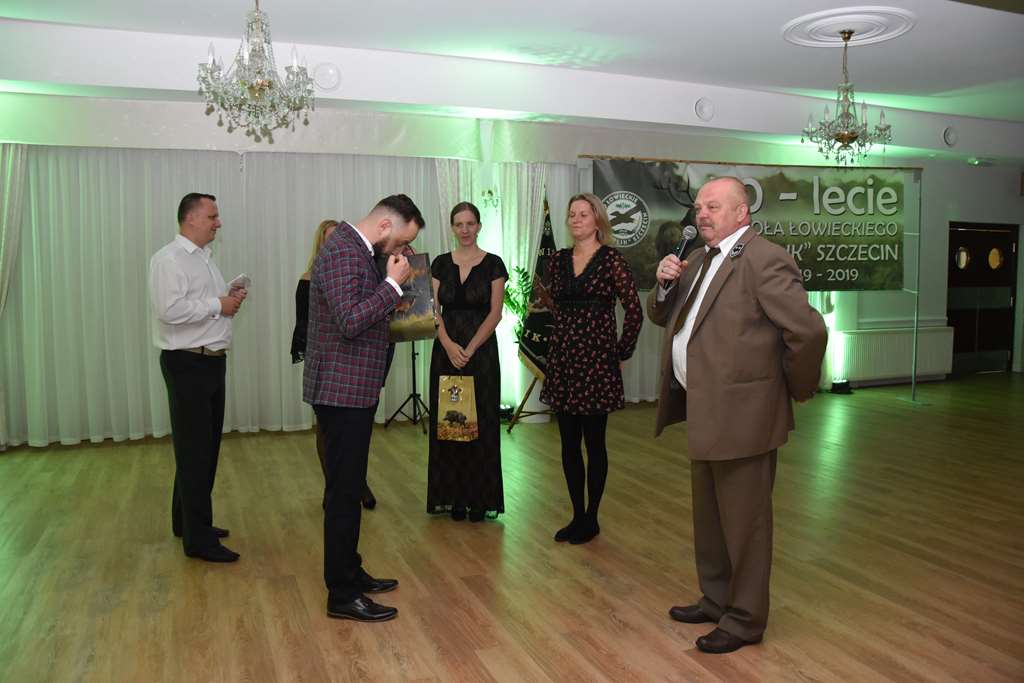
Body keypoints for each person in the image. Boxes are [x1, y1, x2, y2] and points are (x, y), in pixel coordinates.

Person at [647, 176, 827, 654]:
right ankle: (717, 599)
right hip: (706, 409)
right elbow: (662, 315)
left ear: (741, 212)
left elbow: (807, 332)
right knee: (710, 518)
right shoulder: (699, 259)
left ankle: (745, 619)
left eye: (713, 206)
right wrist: (663, 285)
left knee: (746, 524)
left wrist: (794, 390)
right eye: (699, 207)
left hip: (745, 416)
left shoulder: (766, 259)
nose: (701, 214)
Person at [303, 194, 424, 622]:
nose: (400, 250)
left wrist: (391, 274)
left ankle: (350, 571)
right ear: (385, 225)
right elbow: (351, 320)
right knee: (343, 495)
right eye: (401, 241)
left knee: (350, 488)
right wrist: (392, 284)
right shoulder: (341, 249)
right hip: (340, 391)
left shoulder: (361, 250)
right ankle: (342, 594)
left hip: (354, 389)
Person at [540, 193, 643, 545]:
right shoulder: (557, 260)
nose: (576, 219)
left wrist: (621, 353)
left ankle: (592, 518)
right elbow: (555, 307)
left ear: (598, 219)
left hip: (597, 362)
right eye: (572, 214)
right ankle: (577, 515)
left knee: (594, 443)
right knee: (568, 444)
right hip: (564, 361)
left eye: (583, 214)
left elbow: (634, 311)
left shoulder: (612, 260)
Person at [149, 192, 247, 563]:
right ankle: (199, 540)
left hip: (210, 362)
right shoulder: (169, 260)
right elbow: (169, 310)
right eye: (212, 216)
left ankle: (187, 522)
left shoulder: (205, 258)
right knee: (195, 452)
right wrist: (217, 304)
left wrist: (226, 299)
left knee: (201, 449)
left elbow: (203, 306)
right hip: (188, 363)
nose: (218, 223)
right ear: (190, 218)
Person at [427, 202, 508, 522]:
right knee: (451, 425)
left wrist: (470, 348)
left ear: (479, 226)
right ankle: (454, 498)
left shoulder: (494, 264)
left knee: (482, 425)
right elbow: (432, 310)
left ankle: (480, 499)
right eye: (459, 224)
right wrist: (448, 345)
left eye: (470, 223)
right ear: (452, 227)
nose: (464, 229)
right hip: (446, 354)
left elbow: (496, 313)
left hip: (481, 355)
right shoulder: (439, 264)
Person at [291, 219, 377, 511]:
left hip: (355, 362)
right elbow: (305, 323)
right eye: (329, 239)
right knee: (327, 431)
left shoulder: (357, 273)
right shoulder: (308, 279)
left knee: (355, 434)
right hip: (326, 361)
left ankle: (356, 482)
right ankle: (334, 486)